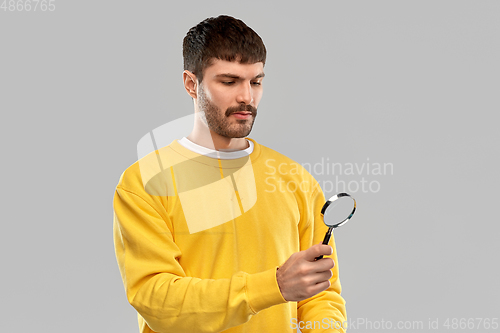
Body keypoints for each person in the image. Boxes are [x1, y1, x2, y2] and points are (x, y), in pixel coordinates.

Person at [113, 15, 347, 333]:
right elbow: (157, 300)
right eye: (229, 81)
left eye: (256, 81)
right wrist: (274, 286)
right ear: (191, 83)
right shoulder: (145, 182)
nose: (246, 97)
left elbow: (321, 297)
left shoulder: (294, 178)